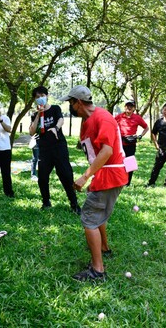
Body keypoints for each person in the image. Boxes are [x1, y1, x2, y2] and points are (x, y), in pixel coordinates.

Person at [61, 85, 127, 281]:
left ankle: (97, 271)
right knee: (98, 213)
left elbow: (107, 151)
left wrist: (85, 176)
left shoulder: (102, 117)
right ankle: (104, 248)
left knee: (89, 218)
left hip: (111, 175)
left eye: (70, 102)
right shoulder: (88, 120)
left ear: (78, 102)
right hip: (104, 175)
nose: (69, 107)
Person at [29, 86, 79, 214]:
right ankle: (46, 202)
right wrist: (38, 115)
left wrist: (55, 128)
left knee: (66, 175)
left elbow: (61, 119)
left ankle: (74, 204)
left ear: (47, 95)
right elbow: (31, 131)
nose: (40, 99)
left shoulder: (55, 109)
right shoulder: (35, 114)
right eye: (37, 97)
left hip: (59, 147)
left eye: (42, 95)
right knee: (42, 177)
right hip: (44, 149)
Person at [114, 100, 149, 186]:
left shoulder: (137, 118)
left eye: (131, 106)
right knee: (119, 162)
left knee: (129, 163)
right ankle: (119, 180)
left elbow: (146, 127)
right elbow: (112, 125)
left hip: (131, 144)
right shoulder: (119, 117)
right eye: (127, 106)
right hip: (120, 143)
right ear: (124, 107)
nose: (129, 108)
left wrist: (140, 136)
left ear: (134, 108)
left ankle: (127, 182)